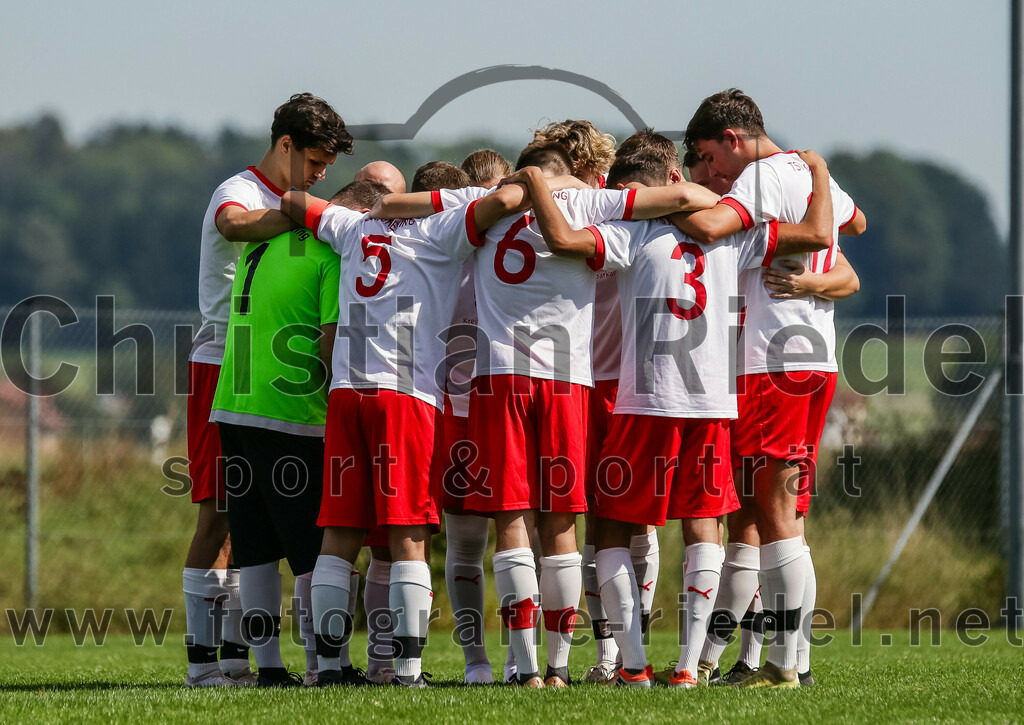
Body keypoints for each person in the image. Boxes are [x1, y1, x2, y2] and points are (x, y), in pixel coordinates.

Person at [518, 145, 834, 688]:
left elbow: (565, 240)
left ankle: (634, 665)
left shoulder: (633, 231)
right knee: (704, 526)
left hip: (647, 401)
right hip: (713, 401)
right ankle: (691, 666)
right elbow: (816, 234)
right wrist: (820, 173)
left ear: (635, 196)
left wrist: (533, 183)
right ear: (669, 178)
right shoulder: (733, 234)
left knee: (613, 526)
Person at [279, 176, 533, 688]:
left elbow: (291, 199)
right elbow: (507, 199)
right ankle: (408, 670)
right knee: (407, 533)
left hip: (347, 393)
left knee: (339, 534)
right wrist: (466, 195)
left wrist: (375, 208)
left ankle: (327, 668)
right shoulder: (441, 229)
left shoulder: (353, 225)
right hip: (405, 395)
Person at [679, 88, 865, 688]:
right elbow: (855, 222)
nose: (712, 173)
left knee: (776, 515)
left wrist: (655, 199)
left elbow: (710, 224)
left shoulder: (758, 176)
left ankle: (788, 664)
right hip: (817, 360)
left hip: (771, 361)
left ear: (733, 140)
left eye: (710, 157)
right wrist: (819, 173)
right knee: (775, 514)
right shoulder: (813, 175)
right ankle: (779, 661)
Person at [183, 92, 351, 688]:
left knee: (245, 524)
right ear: (285, 145)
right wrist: (309, 210)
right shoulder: (240, 188)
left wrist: (314, 208)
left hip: (261, 376)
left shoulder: (295, 198)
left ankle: (234, 661)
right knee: (217, 515)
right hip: (221, 363)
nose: (319, 175)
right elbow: (233, 225)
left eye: (326, 168)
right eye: (314, 162)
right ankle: (201, 666)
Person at [208, 217, 340, 687]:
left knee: (255, 548)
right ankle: (320, 665)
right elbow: (329, 343)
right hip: (292, 412)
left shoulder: (262, 242)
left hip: (233, 404)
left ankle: (268, 668)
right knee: (312, 551)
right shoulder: (329, 255)